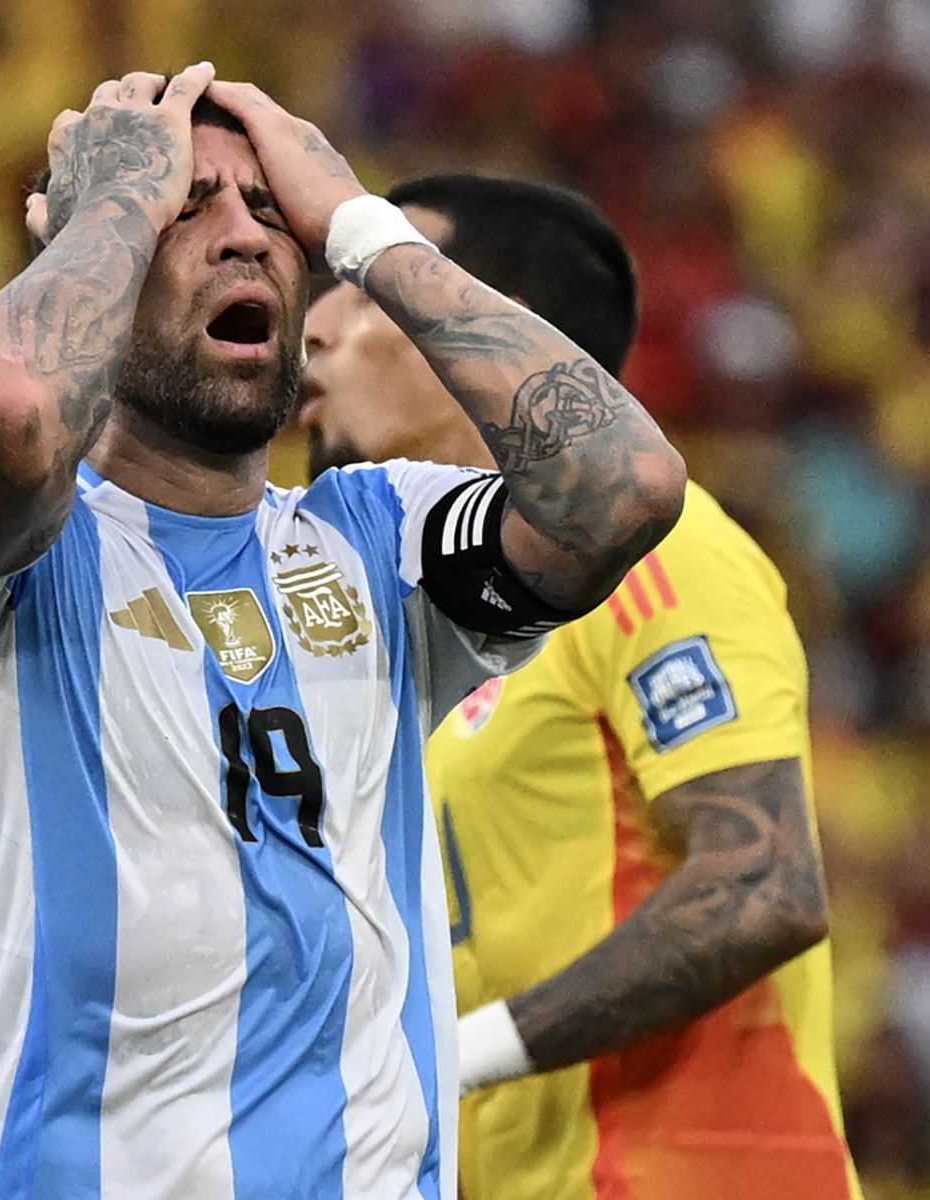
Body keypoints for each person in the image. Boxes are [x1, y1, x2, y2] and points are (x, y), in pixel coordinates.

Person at [0, 64, 685, 1199]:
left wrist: (357, 224)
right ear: (90, 254)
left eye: (270, 212)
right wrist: (106, 211)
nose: (245, 238)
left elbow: (625, 485)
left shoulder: (379, 539)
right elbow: (7, 418)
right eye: (184, 207)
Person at [298, 173, 861, 1198]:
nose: (317, 330)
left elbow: (763, 885)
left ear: (492, 334)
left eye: (368, 292)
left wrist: (455, 1056)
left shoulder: (657, 550)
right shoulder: (391, 620)